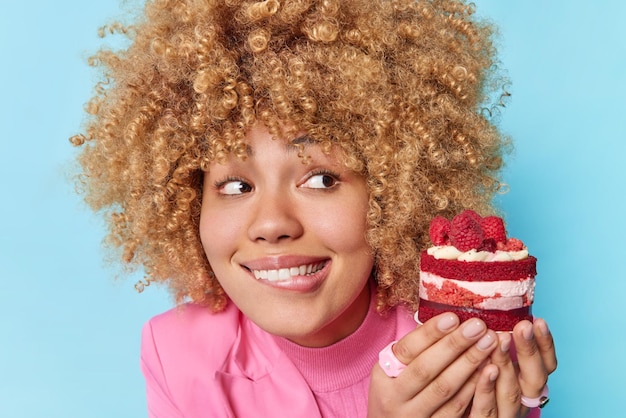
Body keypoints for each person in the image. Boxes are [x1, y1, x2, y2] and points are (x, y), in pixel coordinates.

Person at [71, 0, 557, 416]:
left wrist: (522, 406)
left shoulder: (453, 344)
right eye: (236, 185)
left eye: (321, 179)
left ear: (392, 193)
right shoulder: (179, 356)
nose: (272, 224)